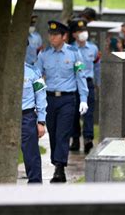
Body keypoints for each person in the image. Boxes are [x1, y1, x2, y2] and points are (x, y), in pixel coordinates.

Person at [35, 21, 89, 183]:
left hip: (67, 99)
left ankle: (60, 168)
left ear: (64, 36)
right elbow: (37, 77)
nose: (52, 38)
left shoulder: (74, 53)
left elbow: (80, 76)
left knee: (63, 133)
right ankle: (56, 162)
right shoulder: (43, 54)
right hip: (49, 99)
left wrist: (84, 99)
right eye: (50, 34)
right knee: (53, 133)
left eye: (55, 35)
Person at [0, 56, 47, 183]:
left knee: (31, 154)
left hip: (27, 117)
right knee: (3, 153)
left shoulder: (34, 72)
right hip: (5, 117)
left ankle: (35, 186)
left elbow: (41, 97)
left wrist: (41, 121)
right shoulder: (1, 72)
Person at [68, 18, 100, 154]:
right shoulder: (70, 49)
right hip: (74, 84)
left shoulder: (93, 48)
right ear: (74, 34)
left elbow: (97, 66)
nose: (83, 33)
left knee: (88, 113)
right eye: (80, 31)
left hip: (88, 83)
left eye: (84, 30)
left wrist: (98, 83)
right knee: (74, 113)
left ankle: (88, 139)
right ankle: (75, 138)